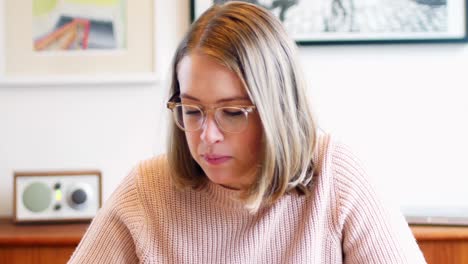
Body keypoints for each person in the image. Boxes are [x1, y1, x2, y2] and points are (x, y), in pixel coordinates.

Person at [68, 2, 426, 263]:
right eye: (192, 111)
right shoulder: (146, 190)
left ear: (278, 110)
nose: (207, 135)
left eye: (233, 112)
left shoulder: (336, 174)